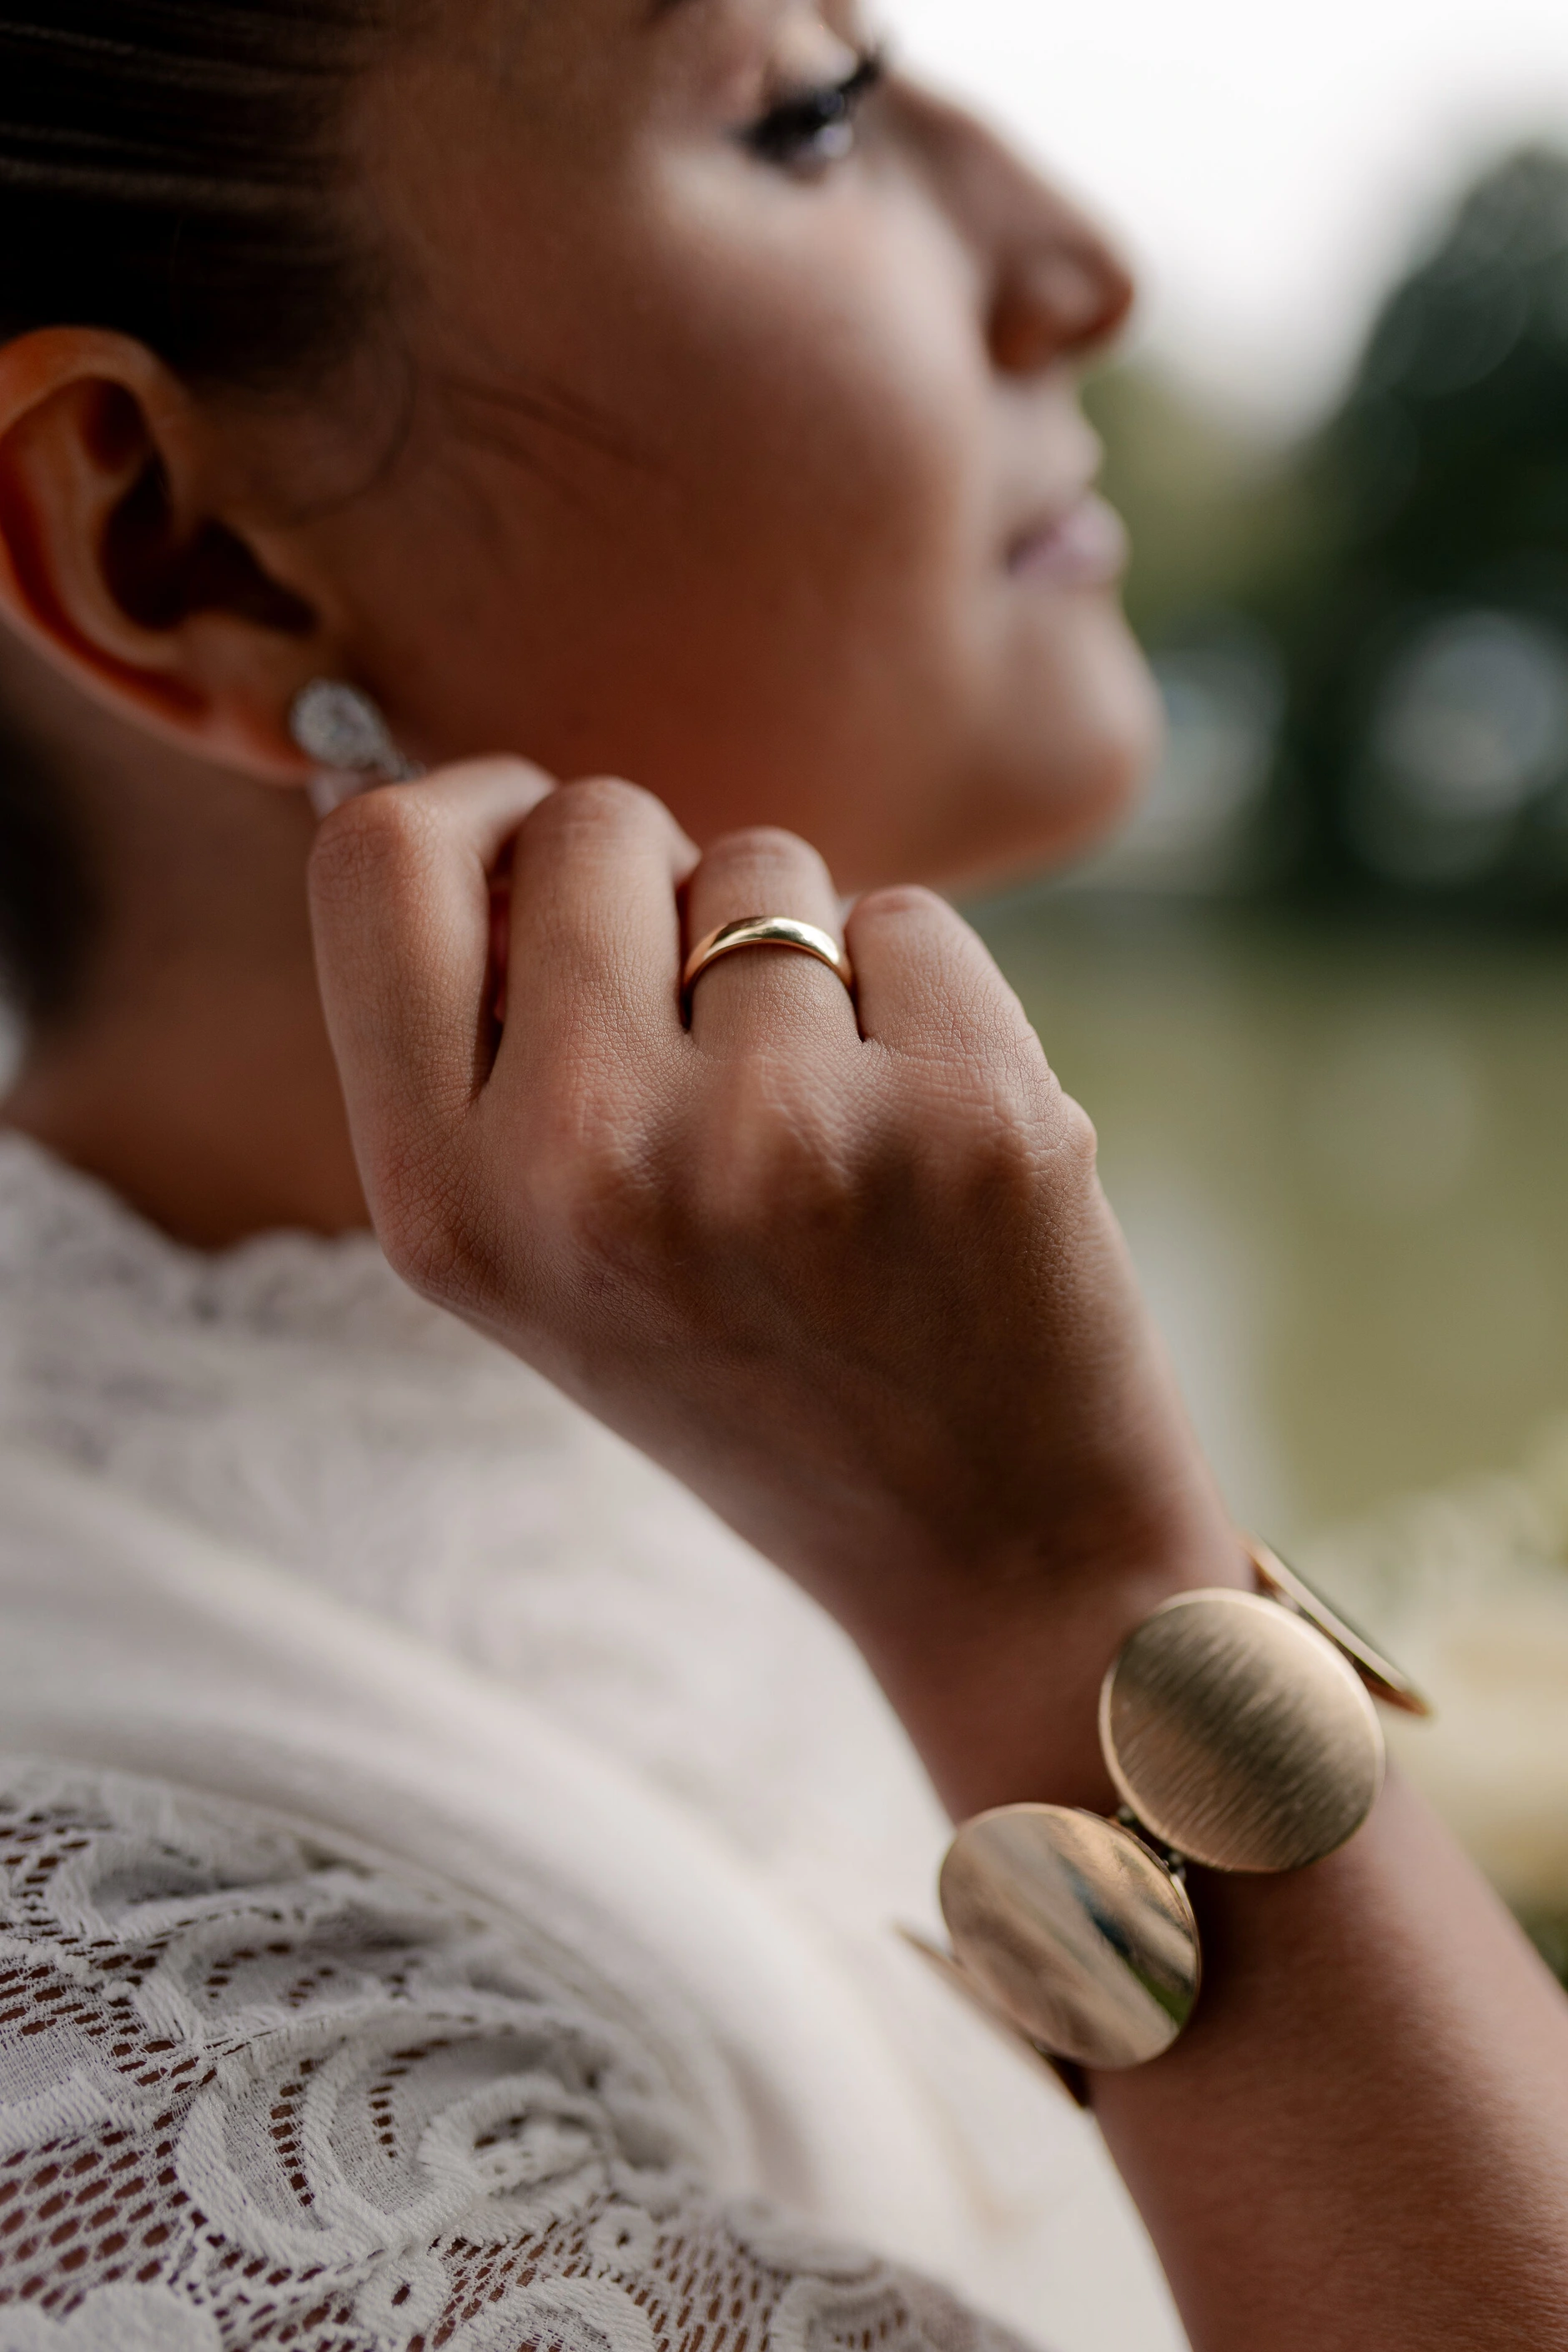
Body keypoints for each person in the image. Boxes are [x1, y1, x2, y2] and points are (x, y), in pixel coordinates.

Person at [0, 5, 1564, 2350]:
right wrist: (1057, 1583)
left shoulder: (780, 1335)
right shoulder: (126, 2044)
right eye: (804, 112)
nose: (1081, 263)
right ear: (171, 537)